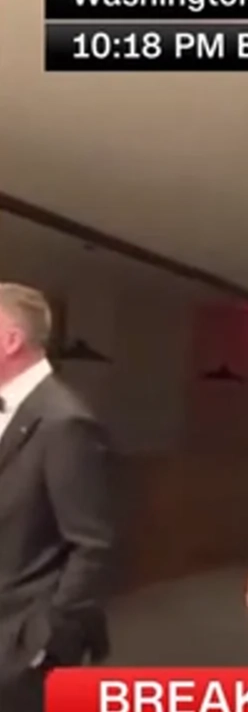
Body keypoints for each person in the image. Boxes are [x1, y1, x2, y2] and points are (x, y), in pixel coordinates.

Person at [0, 283, 116, 711]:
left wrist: (45, 640)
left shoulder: (65, 422)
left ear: (11, 340)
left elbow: (93, 544)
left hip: (19, 644)